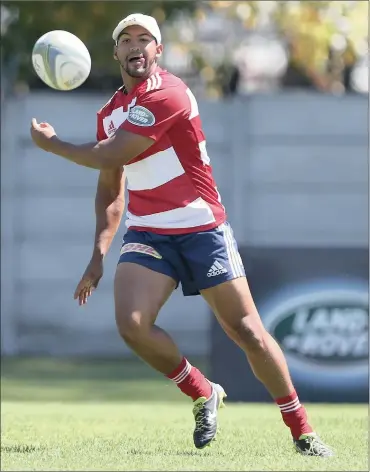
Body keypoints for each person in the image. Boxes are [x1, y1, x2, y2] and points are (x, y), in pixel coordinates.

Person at [30, 13, 333, 457]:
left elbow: (112, 153)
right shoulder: (109, 112)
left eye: (145, 40)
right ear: (116, 53)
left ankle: (302, 430)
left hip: (201, 229)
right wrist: (97, 255)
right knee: (132, 325)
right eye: (126, 40)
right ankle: (202, 391)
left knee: (247, 331)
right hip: (149, 232)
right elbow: (112, 189)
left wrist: (53, 144)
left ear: (159, 51)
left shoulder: (169, 93)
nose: (136, 46)